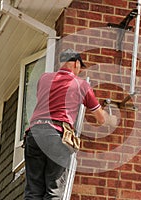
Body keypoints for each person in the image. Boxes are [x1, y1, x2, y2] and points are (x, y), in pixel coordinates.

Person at [24, 48, 117, 199]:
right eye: (80, 66)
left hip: (34, 134)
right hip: (56, 134)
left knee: (33, 191)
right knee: (54, 190)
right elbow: (101, 118)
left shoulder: (44, 79)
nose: (80, 71)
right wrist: (112, 120)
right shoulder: (81, 85)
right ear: (75, 63)